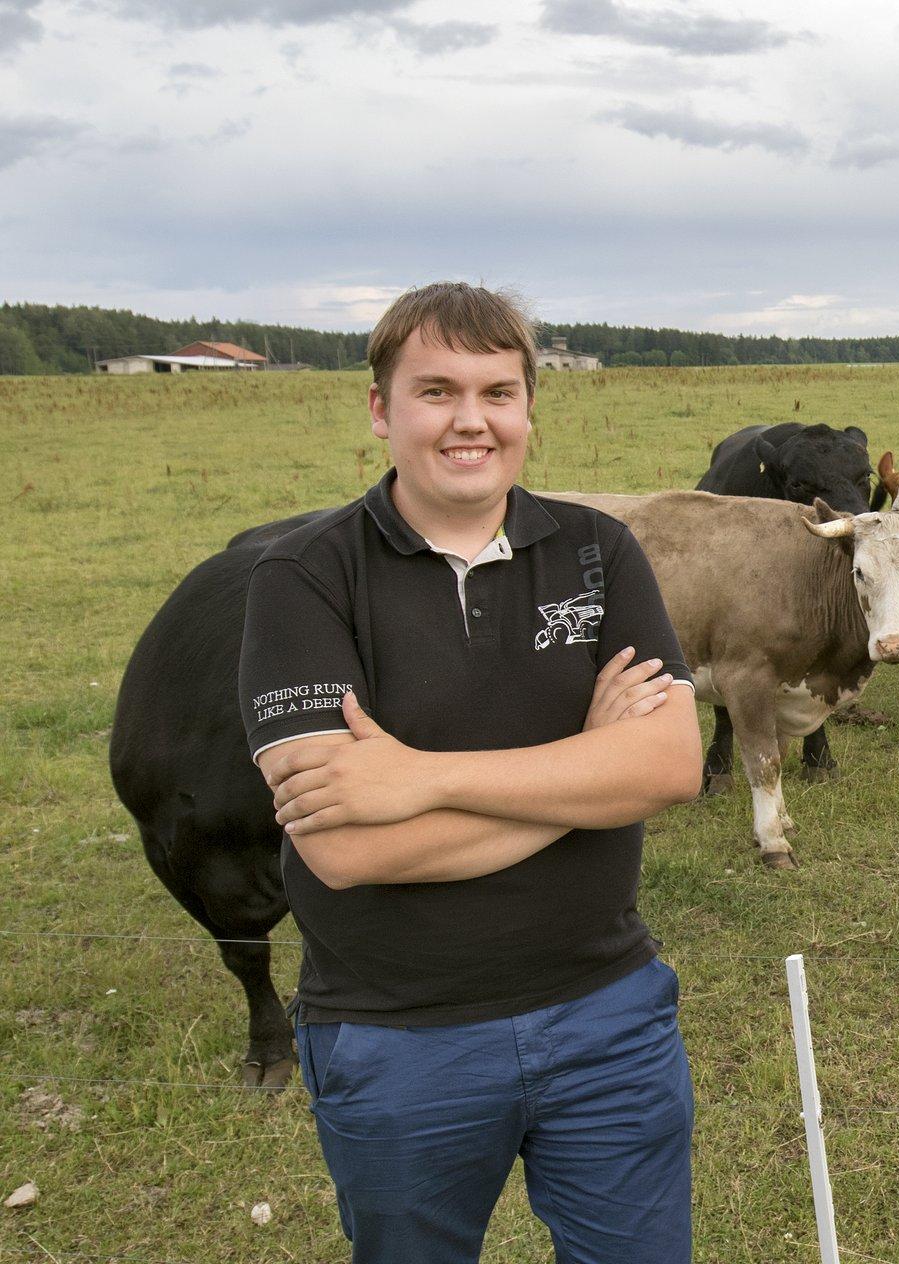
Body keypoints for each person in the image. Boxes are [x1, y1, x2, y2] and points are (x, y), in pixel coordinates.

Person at [237, 282, 704, 1263]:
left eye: (498, 392)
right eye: (436, 390)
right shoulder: (303, 576)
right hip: (399, 1037)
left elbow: (666, 764)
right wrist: (585, 772)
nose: (470, 421)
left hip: (608, 1015)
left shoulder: (596, 551)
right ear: (380, 409)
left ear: (528, 408)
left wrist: (423, 777)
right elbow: (346, 848)